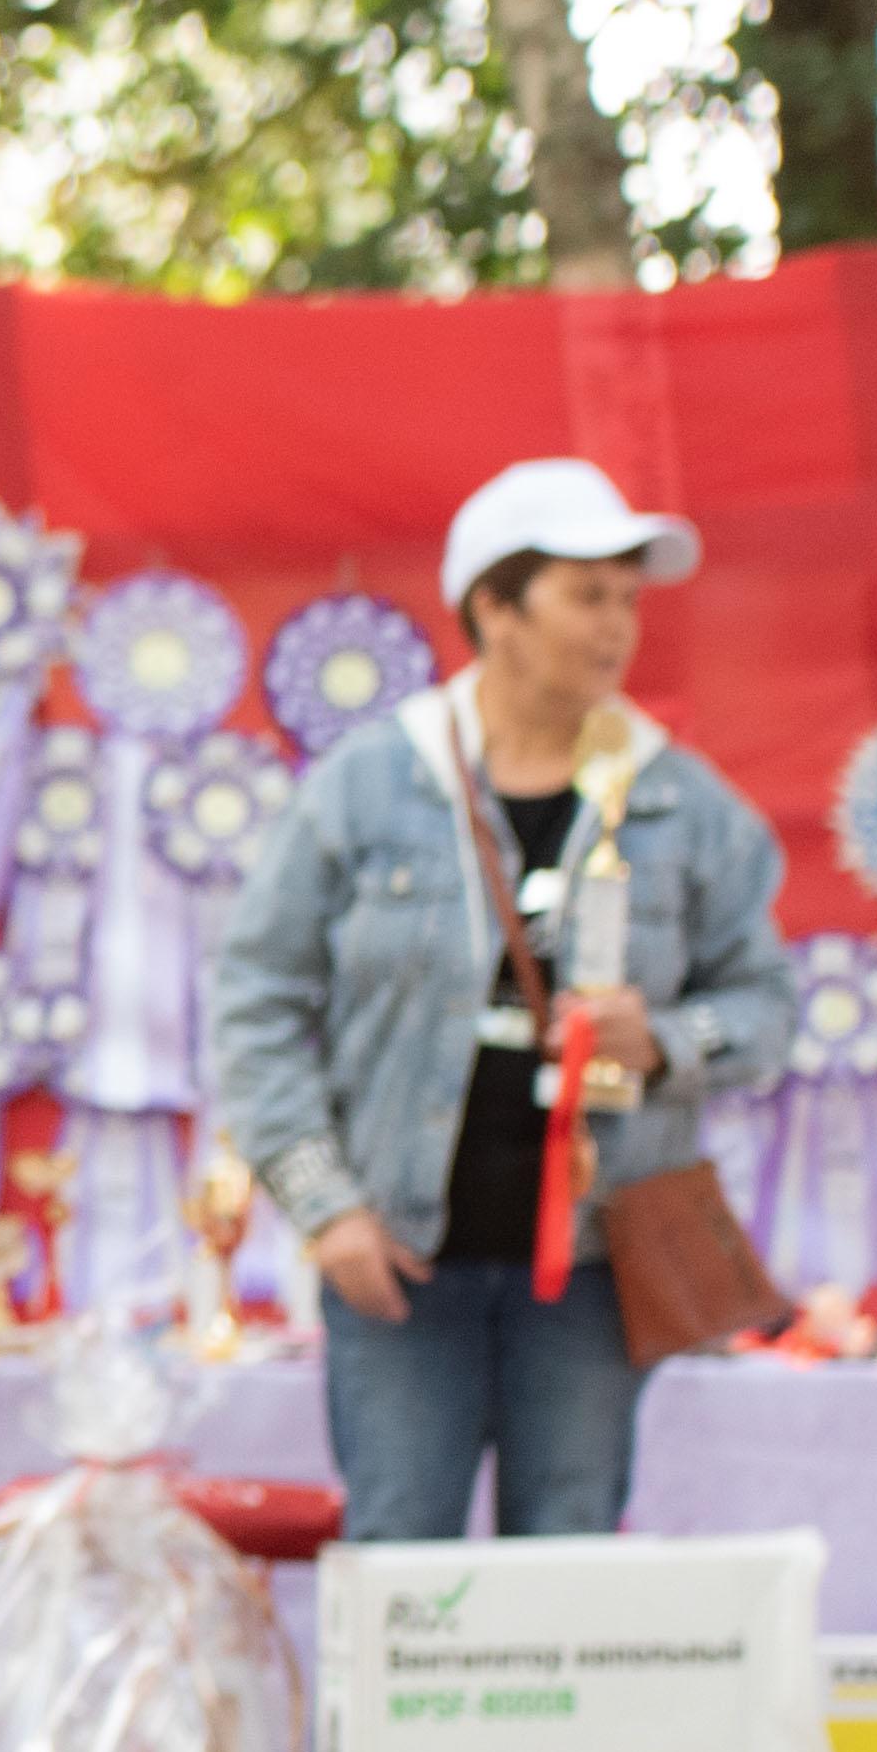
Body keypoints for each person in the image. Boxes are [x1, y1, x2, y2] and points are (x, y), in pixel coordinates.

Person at [210, 456, 796, 1540]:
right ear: (492, 606)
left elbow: (768, 1005)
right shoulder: (367, 783)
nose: (616, 626)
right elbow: (250, 995)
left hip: (589, 1269)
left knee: (567, 1560)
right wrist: (320, 1204)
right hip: (395, 1258)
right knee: (397, 1561)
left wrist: (664, 1040)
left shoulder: (678, 797)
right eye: (585, 595)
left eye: (626, 597)